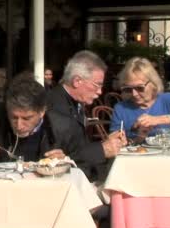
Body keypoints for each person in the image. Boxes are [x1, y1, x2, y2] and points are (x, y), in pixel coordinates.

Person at [0, 74, 85, 168]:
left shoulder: (65, 127)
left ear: (42, 111)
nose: (19, 125)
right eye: (13, 117)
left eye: (27, 118)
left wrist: (66, 162)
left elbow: (86, 168)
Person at [47, 50, 126, 181]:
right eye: (97, 85)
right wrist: (102, 150)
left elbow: (77, 147)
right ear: (77, 81)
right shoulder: (55, 107)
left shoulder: (73, 101)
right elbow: (56, 158)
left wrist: (105, 143)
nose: (100, 92)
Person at [110, 57, 170, 142]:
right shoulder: (121, 108)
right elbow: (116, 143)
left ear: (153, 83)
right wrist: (139, 137)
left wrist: (159, 119)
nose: (134, 94)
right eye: (128, 89)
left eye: (140, 88)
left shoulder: (169, 99)